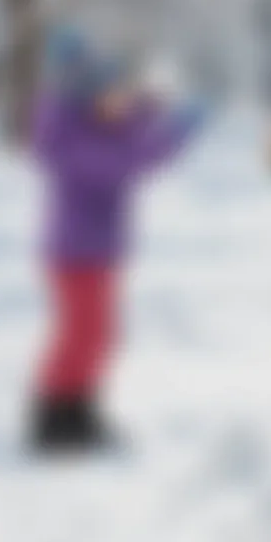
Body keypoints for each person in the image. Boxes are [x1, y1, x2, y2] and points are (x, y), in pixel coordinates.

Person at [30, 34, 205, 453]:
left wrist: (152, 108)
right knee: (80, 333)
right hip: (74, 251)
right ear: (83, 92)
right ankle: (52, 417)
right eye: (107, 89)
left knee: (98, 335)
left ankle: (79, 407)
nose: (117, 98)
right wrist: (172, 134)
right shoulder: (65, 133)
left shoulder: (95, 121)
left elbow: (130, 127)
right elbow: (123, 163)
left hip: (99, 250)